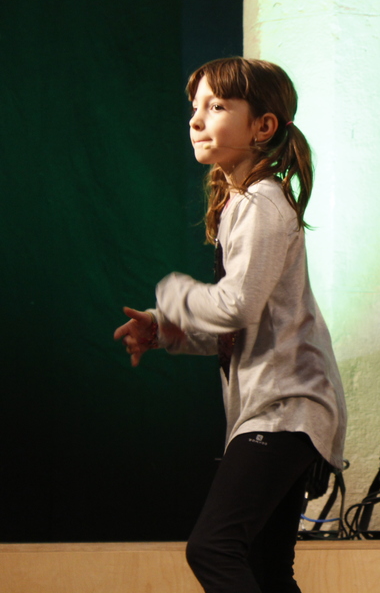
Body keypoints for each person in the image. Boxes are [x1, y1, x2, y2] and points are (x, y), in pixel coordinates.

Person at [113, 57, 347, 593]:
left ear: (263, 126)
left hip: (287, 408)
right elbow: (245, 324)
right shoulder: (243, 203)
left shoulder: (263, 203)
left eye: (216, 106)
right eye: (195, 107)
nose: (196, 120)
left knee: (213, 548)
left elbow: (237, 305)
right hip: (278, 408)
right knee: (267, 570)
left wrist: (171, 293)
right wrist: (164, 329)